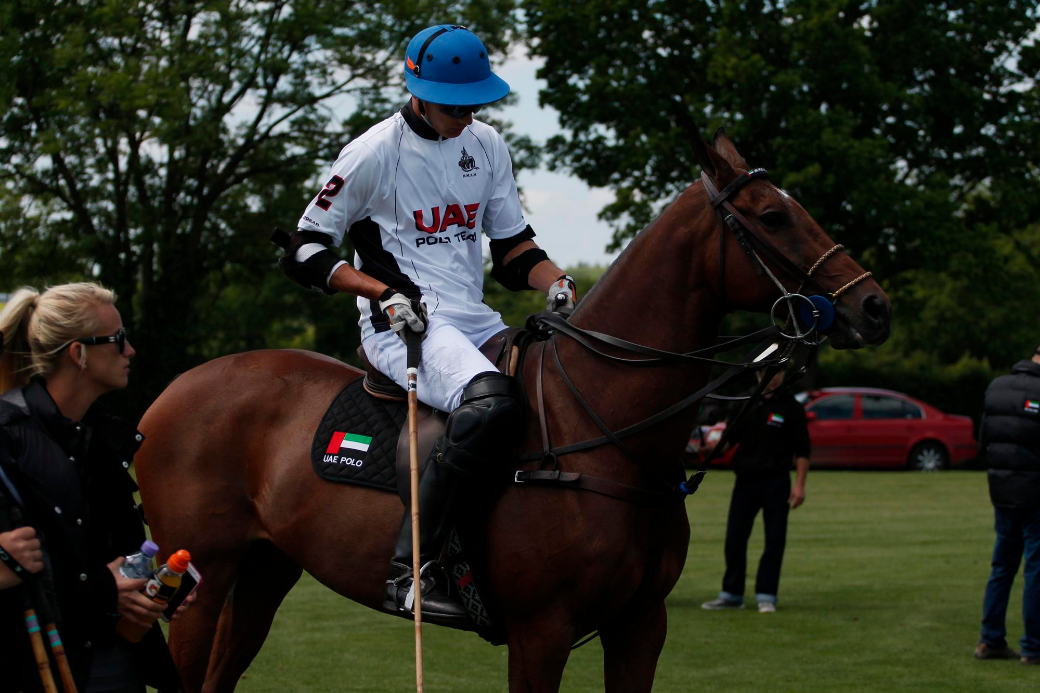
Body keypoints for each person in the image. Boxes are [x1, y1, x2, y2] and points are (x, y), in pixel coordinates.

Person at [276, 24, 575, 622]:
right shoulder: (372, 152)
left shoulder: (487, 145)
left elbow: (513, 246)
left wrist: (559, 282)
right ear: (415, 88)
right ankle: (413, 568)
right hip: (400, 326)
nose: (463, 117)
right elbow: (305, 249)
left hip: (473, 317)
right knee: (490, 403)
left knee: (561, 384)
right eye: (451, 106)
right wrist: (379, 291)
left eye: (473, 105)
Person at [0, 283, 183, 693]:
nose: (130, 350)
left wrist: (154, 588)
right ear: (77, 353)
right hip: (42, 663)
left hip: (114, 654)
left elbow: (104, 552)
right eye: (117, 340)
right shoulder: (8, 433)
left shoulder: (99, 435)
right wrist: (102, 590)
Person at [701, 369, 811, 613]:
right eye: (765, 371)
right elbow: (730, 438)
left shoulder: (791, 406)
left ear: (783, 374)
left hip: (776, 481)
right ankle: (731, 595)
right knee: (735, 538)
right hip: (745, 481)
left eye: (777, 371)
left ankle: (766, 595)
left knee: (774, 540)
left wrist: (800, 485)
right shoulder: (746, 401)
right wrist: (712, 447)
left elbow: (803, 449)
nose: (771, 376)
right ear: (758, 373)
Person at [974, 345, 1040, 665]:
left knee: (1002, 566)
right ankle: (1034, 647)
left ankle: (990, 639)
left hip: (1002, 491)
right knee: (1036, 569)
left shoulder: (996, 387)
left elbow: (984, 439)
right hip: (1035, 494)